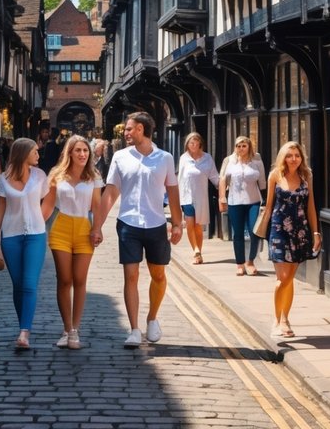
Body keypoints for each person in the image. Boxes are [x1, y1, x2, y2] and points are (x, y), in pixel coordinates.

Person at [92, 112, 182, 348]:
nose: (126, 133)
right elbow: (110, 192)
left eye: (129, 129)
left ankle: (152, 318)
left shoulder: (164, 158)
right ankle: (134, 329)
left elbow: (172, 192)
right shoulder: (121, 157)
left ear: (142, 129)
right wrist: (97, 226)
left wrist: (178, 224)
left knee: (158, 275)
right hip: (128, 224)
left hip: (156, 225)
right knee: (130, 276)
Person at [43, 134, 103, 350]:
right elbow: (48, 207)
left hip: (84, 230)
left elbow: (96, 206)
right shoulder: (56, 175)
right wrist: (33, 226)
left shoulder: (94, 177)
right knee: (64, 279)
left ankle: (75, 329)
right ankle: (66, 328)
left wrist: (97, 229)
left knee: (79, 279)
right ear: (69, 153)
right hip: (60, 228)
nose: (82, 154)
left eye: (85, 151)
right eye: (78, 150)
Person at [0, 137, 51, 350]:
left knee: (28, 284)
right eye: (34, 151)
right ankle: (22, 325)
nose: (38, 154)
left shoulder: (40, 176)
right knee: (18, 285)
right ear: (23, 153)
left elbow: (49, 202)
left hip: (35, 235)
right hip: (11, 236)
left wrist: (40, 219)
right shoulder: (4, 178)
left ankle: (24, 331)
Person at [265, 140, 320, 338]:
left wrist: (315, 232)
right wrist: (264, 231)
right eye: (289, 155)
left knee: (290, 279)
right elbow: (269, 206)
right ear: (283, 157)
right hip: (279, 231)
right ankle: (276, 319)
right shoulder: (275, 176)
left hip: (300, 232)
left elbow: (311, 206)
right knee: (283, 279)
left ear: (301, 158)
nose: (293, 159)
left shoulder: (306, 176)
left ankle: (285, 319)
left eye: (296, 155)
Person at [218, 135, 267, 276]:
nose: (241, 148)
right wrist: (222, 198)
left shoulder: (257, 160)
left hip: (254, 201)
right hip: (235, 202)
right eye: (238, 146)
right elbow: (222, 180)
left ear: (249, 146)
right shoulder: (229, 161)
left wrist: (267, 201)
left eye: (244, 146)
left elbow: (263, 182)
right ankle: (240, 263)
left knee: (254, 232)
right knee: (237, 234)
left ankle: (250, 261)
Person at [177, 132, 219, 265]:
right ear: (187, 145)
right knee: (190, 224)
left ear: (200, 143)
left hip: (201, 197)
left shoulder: (207, 158)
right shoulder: (184, 158)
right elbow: (180, 179)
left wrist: (224, 187)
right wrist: (177, 199)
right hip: (187, 197)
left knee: (198, 226)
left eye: (196, 142)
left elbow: (214, 177)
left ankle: (198, 252)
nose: (193, 145)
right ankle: (195, 250)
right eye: (191, 143)